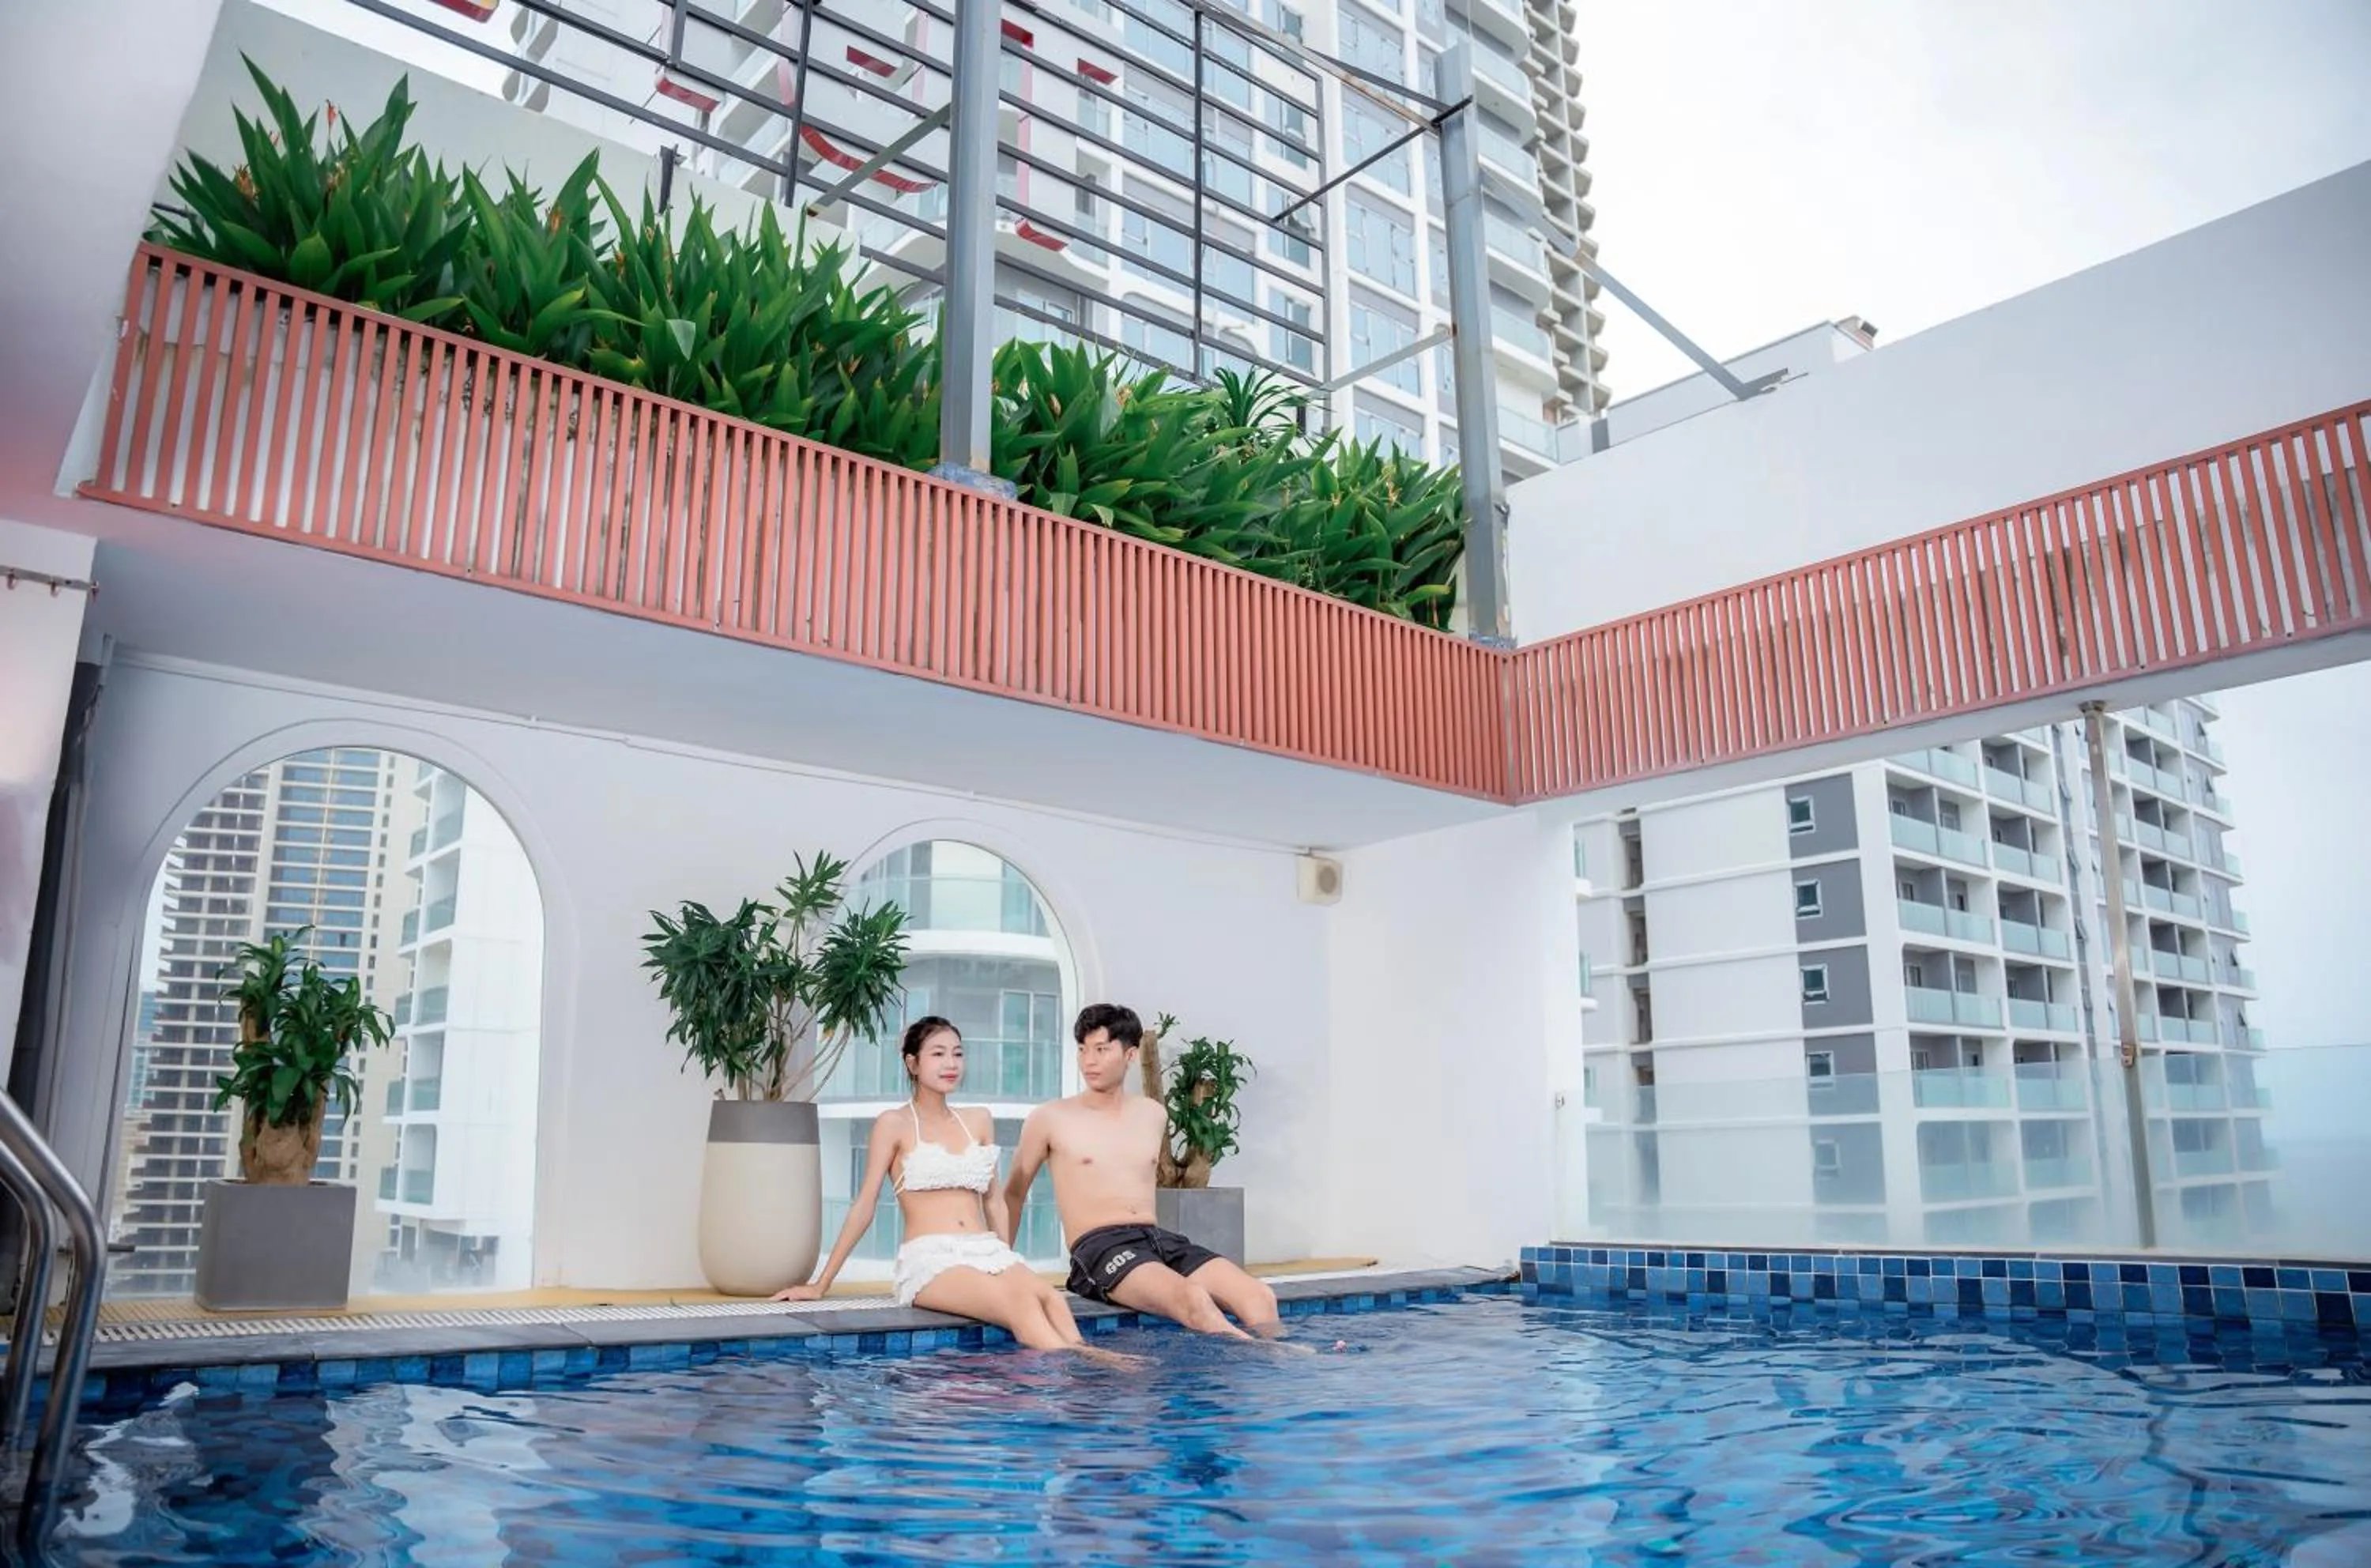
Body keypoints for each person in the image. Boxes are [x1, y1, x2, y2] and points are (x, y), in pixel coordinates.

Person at [772, 1016, 1096, 1355]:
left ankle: (1091, 1364)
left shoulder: (978, 1120)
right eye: (938, 1054)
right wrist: (821, 1284)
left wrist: (1007, 1261)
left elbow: (994, 1202)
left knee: (1049, 1298)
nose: (951, 1064)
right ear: (912, 1063)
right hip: (929, 1259)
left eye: (957, 1054)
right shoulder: (893, 1124)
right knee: (1021, 1306)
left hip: (986, 1250)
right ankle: (1082, 1375)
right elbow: (865, 1204)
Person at [1001, 1002, 1282, 1339]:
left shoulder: (1152, 1114)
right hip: (1100, 1248)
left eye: (1101, 1050)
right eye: (1082, 1049)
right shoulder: (1050, 1118)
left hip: (1157, 1239)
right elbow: (1013, 1194)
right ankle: (1277, 1359)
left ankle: (1269, 1373)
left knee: (1259, 1296)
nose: (1089, 1060)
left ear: (1131, 1055)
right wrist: (1003, 1268)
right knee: (1192, 1299)